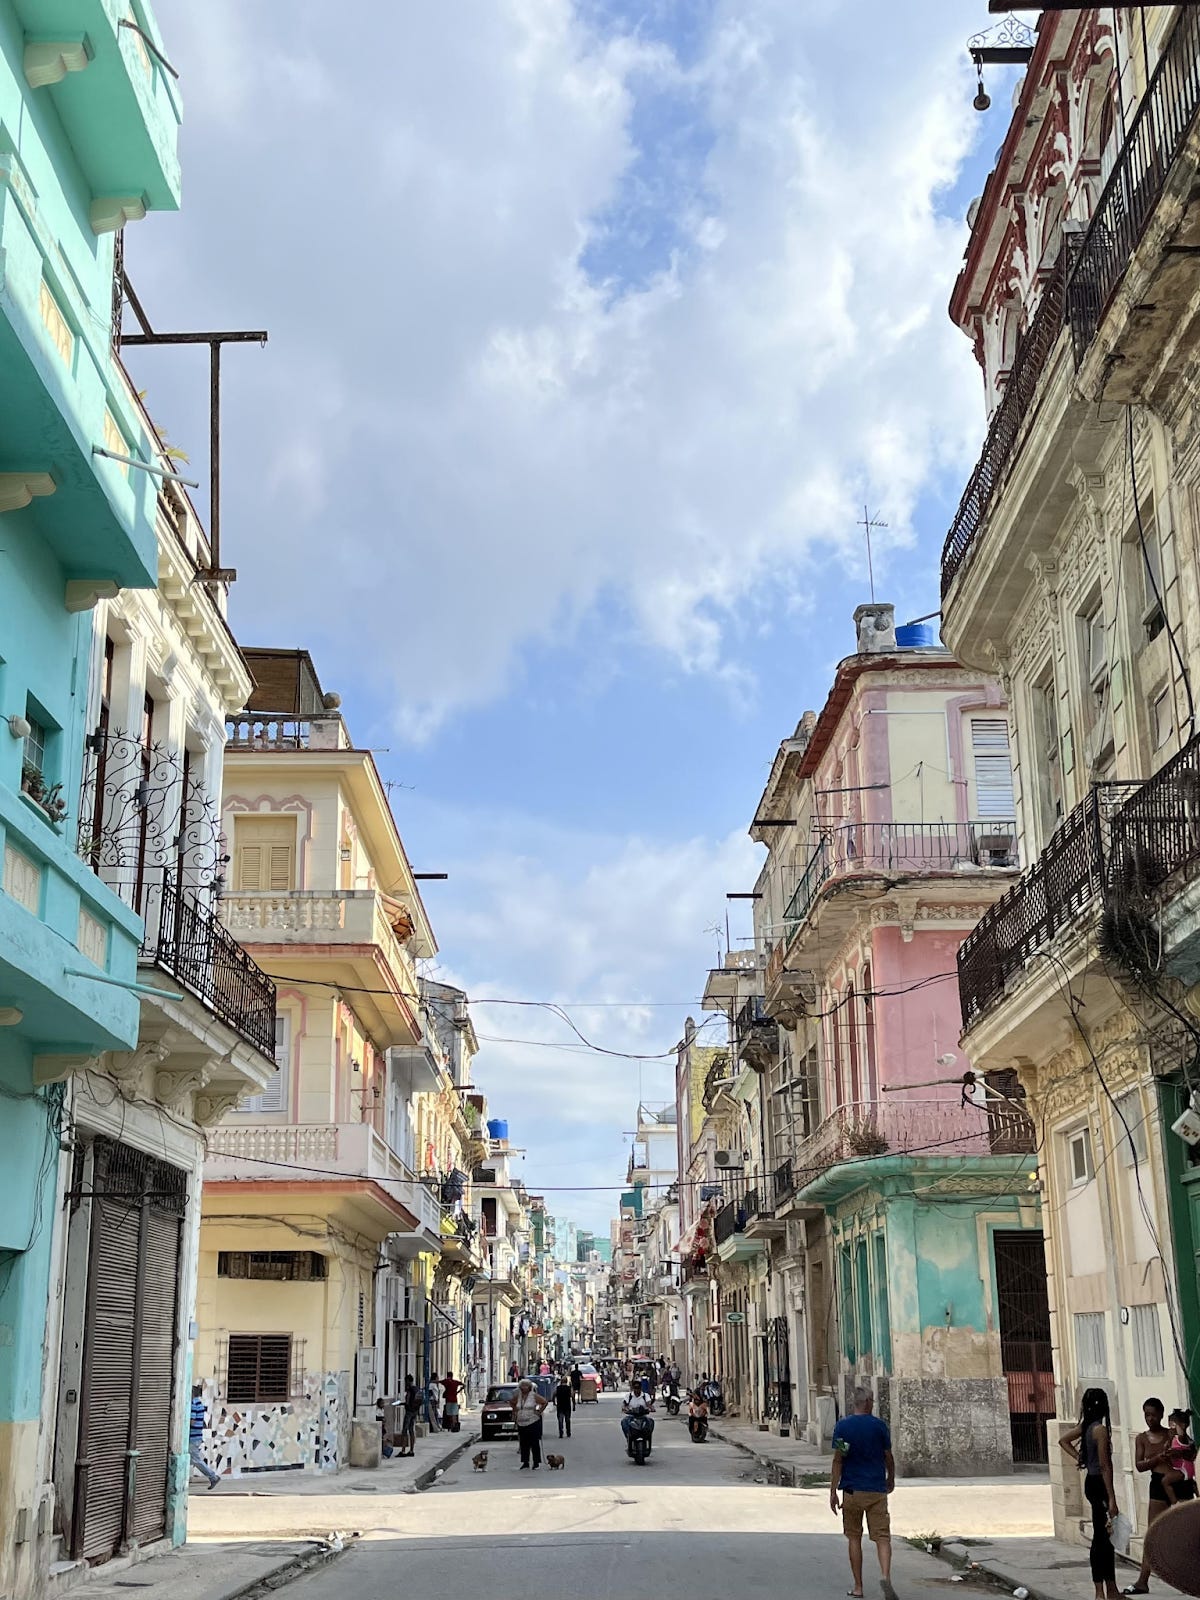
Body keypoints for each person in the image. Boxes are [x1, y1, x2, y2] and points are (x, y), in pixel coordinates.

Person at [830, 1388, 895, 1600]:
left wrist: (833, 1491)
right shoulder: (879, 1426)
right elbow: (888, 1456)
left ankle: (858, 1587)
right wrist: (890, 1479)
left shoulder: (843, 1427)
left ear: (854, 1404)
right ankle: (885, 1576)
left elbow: (839, 1459)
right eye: (872, 1401)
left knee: (854, 1538)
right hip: (876, 1490)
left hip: (852, 1490)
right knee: (882, 1537)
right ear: (867, 1403)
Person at [1060, 1387, 1120, 1600]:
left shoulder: (1085, 1427)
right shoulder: (1100, 1430)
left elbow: (1063, 1441)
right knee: (1102, 1539)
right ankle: (1102, 1592)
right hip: (1100, 1484)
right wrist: (1112, 1498)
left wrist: (1080, 1458)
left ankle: (1108, 1589)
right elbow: (1105, 1466)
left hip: (1090, 1483)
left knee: (1102, 1536)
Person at [1123, 1398, 1180, 1594]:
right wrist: (1157, 1458)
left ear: (1162, 1415)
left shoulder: (1170, 1434)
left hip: (1178, 1481)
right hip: (1157, 1484)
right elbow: (1139, 1466)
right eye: (1147, 1414)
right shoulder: (1142, 1438)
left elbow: (1185, 1453)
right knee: (1153, 1531)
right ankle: (1142, 1580)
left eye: (1154, 1414)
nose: (1150, 1418)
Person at [511, 1377, 549, 1469]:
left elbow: (544, 1402)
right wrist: (515, 1411)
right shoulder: (518, 1396)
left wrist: (539, 1412)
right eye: (522, 1386)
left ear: (529, 1387)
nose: (524, 1388)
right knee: (523, 1444)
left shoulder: (533, 1395)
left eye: (526, 1386)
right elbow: (512, 1402)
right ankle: (525, 1462)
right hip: (521, 1423)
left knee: (534, 1443)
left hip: (532, 1422)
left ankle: (536, 1462)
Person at [189, 1384, 220, 1490]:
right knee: (192, 1459)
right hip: (196, 1436)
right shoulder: (199, 1403)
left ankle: (213, 1476)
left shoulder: (193, 1403)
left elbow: (192, 1421)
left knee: (195, 1460)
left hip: (193, 1437)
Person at [1163, 1408, 1197, 1502]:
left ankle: (1175, 1503)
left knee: (1165, 1481)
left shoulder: (1181, 1437)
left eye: (1172, 1425)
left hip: (1183, 1469)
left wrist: (1179, 1428)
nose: (1170, 1429)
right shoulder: (1184, 1439)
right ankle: (1193, 1487)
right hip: (1185, 1469)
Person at [621, 1382, 654, 1448]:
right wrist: (625, 1409)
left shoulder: (645, 1396)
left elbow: (649, 1404)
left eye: (638, 1388)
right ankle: (628, 1437)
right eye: (635, 1388)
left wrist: (651, 1408)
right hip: (632, 1416)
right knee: (624, 1422)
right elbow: (624, 1405)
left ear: (641, 1388)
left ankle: (647, 1437)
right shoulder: (629, 1396)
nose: (637, 1390)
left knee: (651, 1422)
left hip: (642, 1415)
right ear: (633, 1388)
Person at [397, 1373, 419, 1457]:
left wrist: (401, 1403)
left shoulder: (410, 1390)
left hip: (409, 1411)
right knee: (411, 1430)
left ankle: (403, 1451)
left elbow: (407, 1401)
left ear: (408, 1381)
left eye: (406, 1381)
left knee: (404, 1430)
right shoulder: (416, 1389)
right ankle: (411, 1450)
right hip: (415, 1411)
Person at [555, 1370, 574, 1438]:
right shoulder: (569, 1388)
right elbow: (572, 1396)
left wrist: (554, 1402)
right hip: (567, 1406)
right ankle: (568, 1432)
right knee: (567, 1419)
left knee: (560, 1420)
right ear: (566, 1381)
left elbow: (554, 1395)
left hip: (560, 1406)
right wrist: (574, 1405)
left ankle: (561, 1433)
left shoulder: (558, 1388)